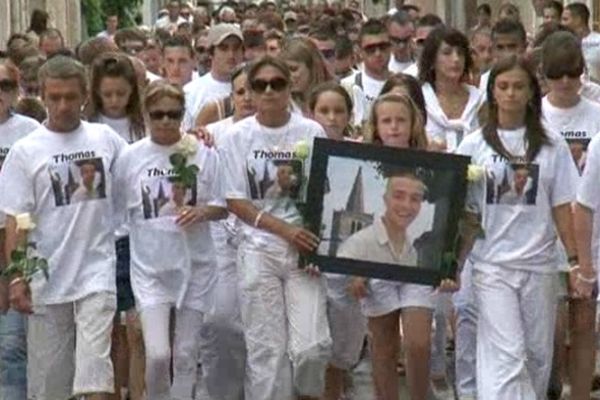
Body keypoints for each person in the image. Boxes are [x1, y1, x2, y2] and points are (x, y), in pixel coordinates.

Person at [0, 55, 127, 400]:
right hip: (47, 276)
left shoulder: (105, 139)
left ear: (85, 95)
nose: (63, 105)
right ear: (41, 95)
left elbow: (142, 167)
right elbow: (18, 218)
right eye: (54, 97)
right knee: (50, 384)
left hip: (97, 271)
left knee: (95, 373)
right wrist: (17, 276)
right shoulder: (26, 152)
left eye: (71, 97)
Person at [456, 55, 579, 400]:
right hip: (492, 265)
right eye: (503, 86)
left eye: (518, 86)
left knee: (538, 356)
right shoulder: (474, 144)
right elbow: (465, 213)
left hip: (538, 264)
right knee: (508, 354)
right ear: (492, 92)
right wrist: (454, 263)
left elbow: (562, 205)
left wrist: (574, 260)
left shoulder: (552, 145)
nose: (510, 93)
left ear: (531, 92)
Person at [220, 56, 331, 400]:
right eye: (260, 85)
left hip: (304, 250)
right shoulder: (237, 136)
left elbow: (326, 191)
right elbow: (235, 201)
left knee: (311, 348)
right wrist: (283, 230)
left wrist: (314, 244)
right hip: (257, 248)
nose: (269, 91)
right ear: (250, 91)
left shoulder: (311, 131)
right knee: (268, 354)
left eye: (277, 83)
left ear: (289, 87)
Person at [114, 80, 226, 400]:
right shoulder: (131, 157)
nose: (166, 121)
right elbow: (117, 213)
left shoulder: (201, 152)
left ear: (183, 115)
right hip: (150, 267)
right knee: (159, 354)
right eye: (158, 114)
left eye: (173, 114)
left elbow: (223, 206)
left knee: (188, 353)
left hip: (196, 263)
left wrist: (202, 212)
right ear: (146, 116)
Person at [346, 93, 452, 400]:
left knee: (418, 343)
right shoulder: (364, 162)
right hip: (376, 262)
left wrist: (447, 264)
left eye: (400, 120)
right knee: (383, 346)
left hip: (418, 263)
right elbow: (362, 223)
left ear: (413, 123)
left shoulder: (432, 161)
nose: (394, 127)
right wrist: (356, 271)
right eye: (386, 121)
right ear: (376, 126)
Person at [541, 31, 600, 399]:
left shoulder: (596, 115)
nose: (566, 82)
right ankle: (552, 382)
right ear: (545, 74)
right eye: (558, 73)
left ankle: (578, 390)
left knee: (583, 322)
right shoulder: (538, 116)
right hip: (547, 229)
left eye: (573, 73)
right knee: (550, 321)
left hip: (588, 229)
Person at [201, 64, 255, 400]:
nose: (250, 97)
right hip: (221, 237)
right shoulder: (211, 134)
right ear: (231, 96)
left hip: (265, 238)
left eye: (258, 88)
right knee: (220, 320)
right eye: (241, 91)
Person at [0, 60, 40, 400]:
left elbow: (29, 203)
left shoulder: (29, 132)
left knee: (12, 342)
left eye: (4, 86)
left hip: (13, 239)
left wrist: (19, 255)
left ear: (16, 92)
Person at [419, 27, 483, 152]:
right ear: (432, 60)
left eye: (460, 53)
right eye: (447, 53)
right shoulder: (419, 99)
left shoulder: (480, 100)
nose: (456, 59)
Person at [185, 23, 244, 130]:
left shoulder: (256, 89)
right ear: (211, 52)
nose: (231, 55)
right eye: (224, 48)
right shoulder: (191, 92)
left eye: (236, 48)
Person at [342, 19, 391, 127]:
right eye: (370, 49)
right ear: (360, 51)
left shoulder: (404, 84)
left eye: (383, 47)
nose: (378, 53)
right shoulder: (347, 86)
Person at [86, 52, 145, 143]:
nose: (114, 100)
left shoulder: (145, 121)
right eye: (107, 94)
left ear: (132, 89)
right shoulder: (87, 123)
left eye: (121, 94)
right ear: (97, 91)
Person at [280, 37, 333, 115]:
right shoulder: (282, 104)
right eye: (284, 69)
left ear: (312, 68)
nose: (287, 75)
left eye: (293, 69)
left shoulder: (335, 97)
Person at [479, 19, 527, 97]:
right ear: (493, 50)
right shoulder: (482, 84)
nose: (506, 54)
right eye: (500, 47)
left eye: (512, 47)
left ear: (524, 47)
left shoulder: (537, 80)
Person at [562, 3, 600, 83]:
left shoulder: (597, 42)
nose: (562, 24)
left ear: (578, 20)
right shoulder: (563, 44)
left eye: (565, 19)